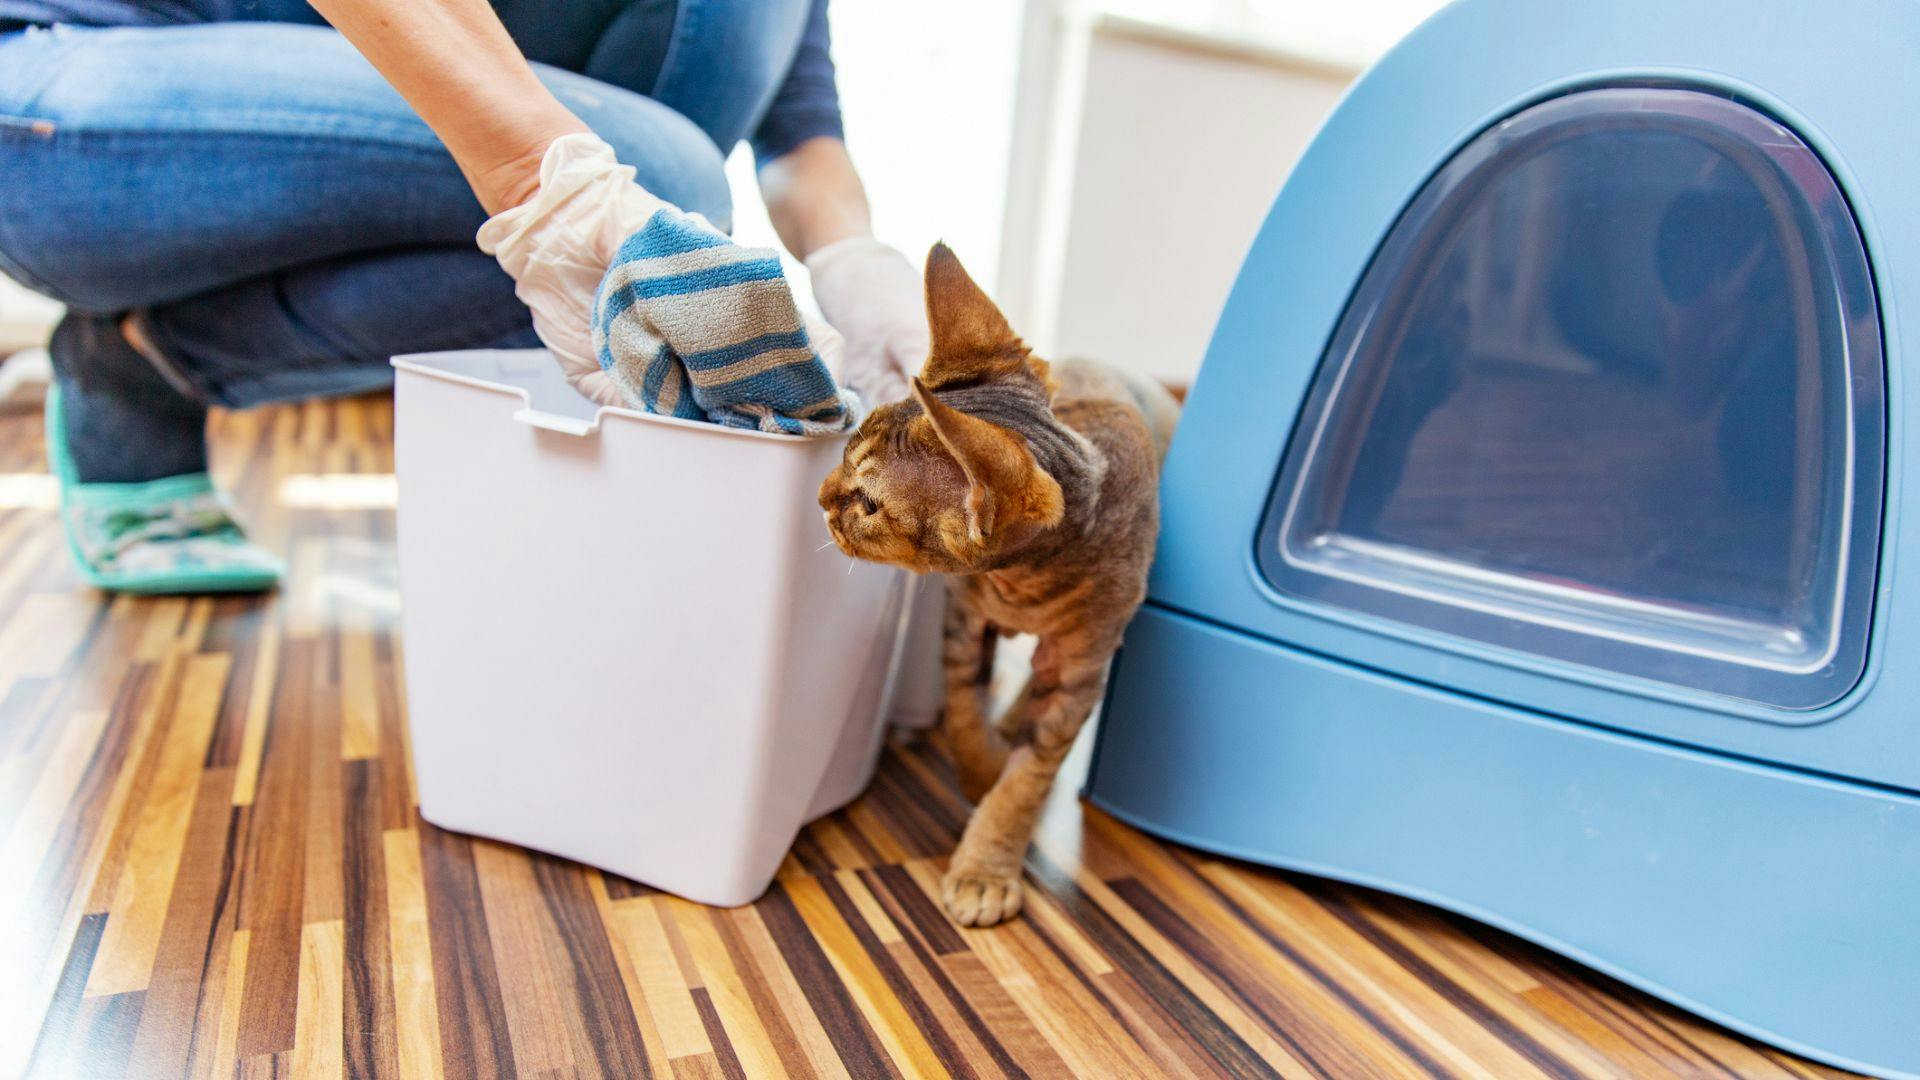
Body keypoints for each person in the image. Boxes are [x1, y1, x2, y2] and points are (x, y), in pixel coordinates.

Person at [0, 0, 928, 592]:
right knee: (673, 181)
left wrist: (859, 270)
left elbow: (803, 138)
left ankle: (148, 347)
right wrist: (554, 188)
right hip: (67, 80)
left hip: (312, 87)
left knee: (680, 150)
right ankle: (143, 372)